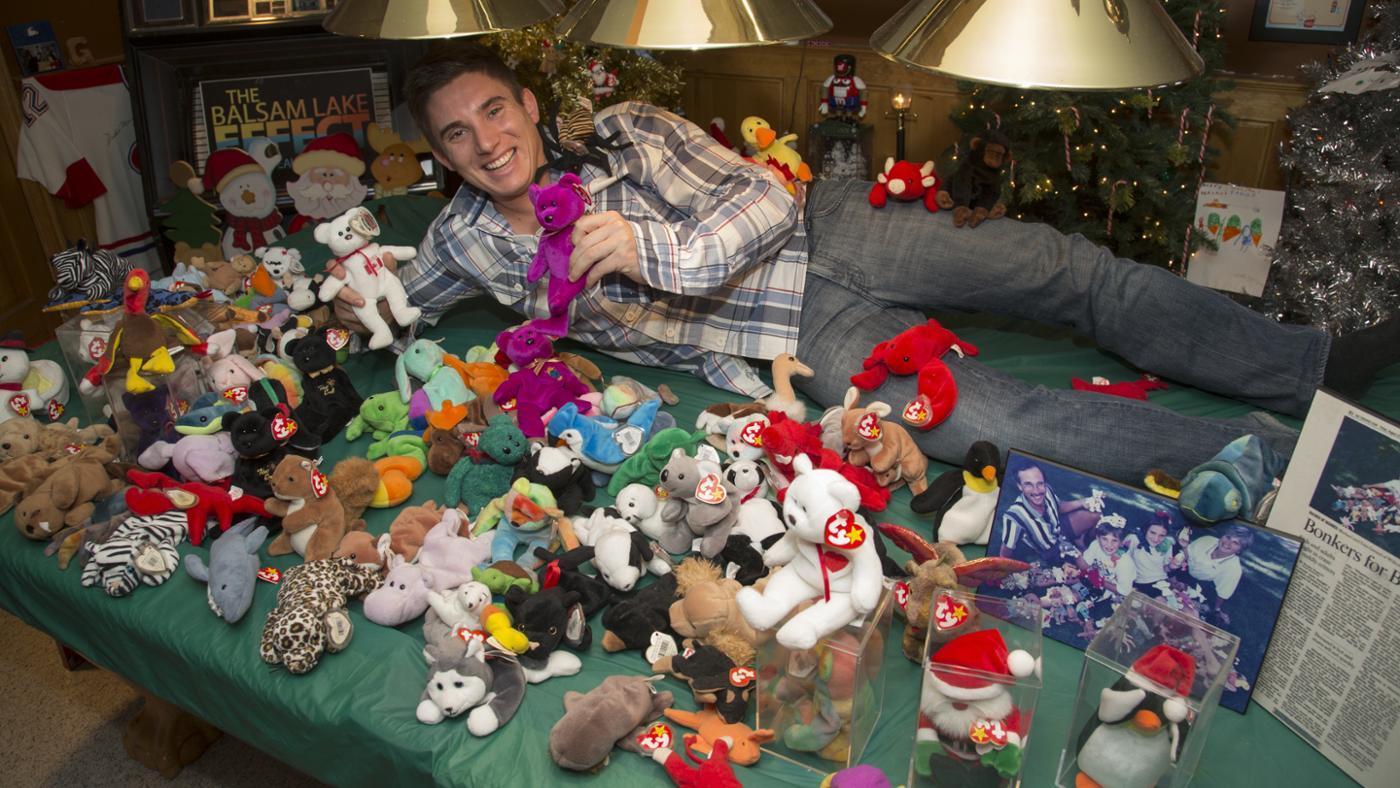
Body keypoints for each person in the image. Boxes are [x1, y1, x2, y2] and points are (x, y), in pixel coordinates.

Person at [330, 42, 1400, 484]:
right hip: (788, 333)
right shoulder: (464, 237)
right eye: (457, 134)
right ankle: (1284, 464)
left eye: (494, 111)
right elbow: (389, 295)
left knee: (1060, 268)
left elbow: (759, 198)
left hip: (827, 228)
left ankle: (1307, 367)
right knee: (993, 419)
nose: (487, 142)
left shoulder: (629, 131)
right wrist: (343, 304)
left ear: (529, 105)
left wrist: (646, 248)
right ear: (442, 157)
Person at [996, 463, 1099, 565]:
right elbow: (1006, 550)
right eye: (1028, 484)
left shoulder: (1047, 489)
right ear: (1019, 486)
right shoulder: (1014, 516)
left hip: (1061, 528)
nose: (1036, 491)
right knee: (1084, 565)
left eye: (1040, 483)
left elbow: (1058, 507)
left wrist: (1081, 502)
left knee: (1096, 516)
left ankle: (1084, 544)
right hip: (1052, 549)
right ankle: (1078, 552)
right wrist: (1004, 567)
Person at [1183, 524, 1252, 626]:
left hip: (1199, 586)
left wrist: (1217, 609)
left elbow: (1222, 593)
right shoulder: (1207, 540)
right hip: (1181, 568)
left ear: (1239, 550)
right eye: (1228, 537)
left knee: (1189, 612)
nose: (1227, 543)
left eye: (1235, 543)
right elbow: (1186, 554)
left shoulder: (1233, 569)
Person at [1121, 511, 1182, 598]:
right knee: (1161, 603)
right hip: (1142, 583)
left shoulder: (1167, 544)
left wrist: (1171, 567)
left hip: (1163, 581)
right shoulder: (1134, 539)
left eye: (1161, 535)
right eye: (1152, 533)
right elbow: (1119, 558)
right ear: (1146, 529)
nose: (1156, 539)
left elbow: (1165, 569)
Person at [1076, 519, 1133, 596]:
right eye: (1104, 539)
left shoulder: (1125, 563)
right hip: (1089, 582)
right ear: (1098, 538)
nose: (1109, 545)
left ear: (1121, 542)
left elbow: (1124, 591)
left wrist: (1100, 581)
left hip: (1110, 595)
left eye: (1114, 540)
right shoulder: (1095, 545)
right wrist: (1077, 555)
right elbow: (1084, 566)